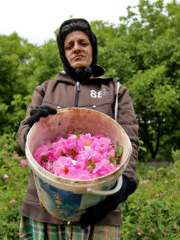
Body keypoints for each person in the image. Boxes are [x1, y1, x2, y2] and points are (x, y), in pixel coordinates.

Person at [17, 18, 139, 239]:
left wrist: (121, 190)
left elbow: (129, 139)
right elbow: (23, 136)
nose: (77, 49)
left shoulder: (115, 90)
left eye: (83, 43)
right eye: (69, 46)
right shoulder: (46, 89)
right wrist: (31, 129)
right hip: (43, 207)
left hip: (98, 208)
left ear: (93, 47)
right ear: (64, 53)